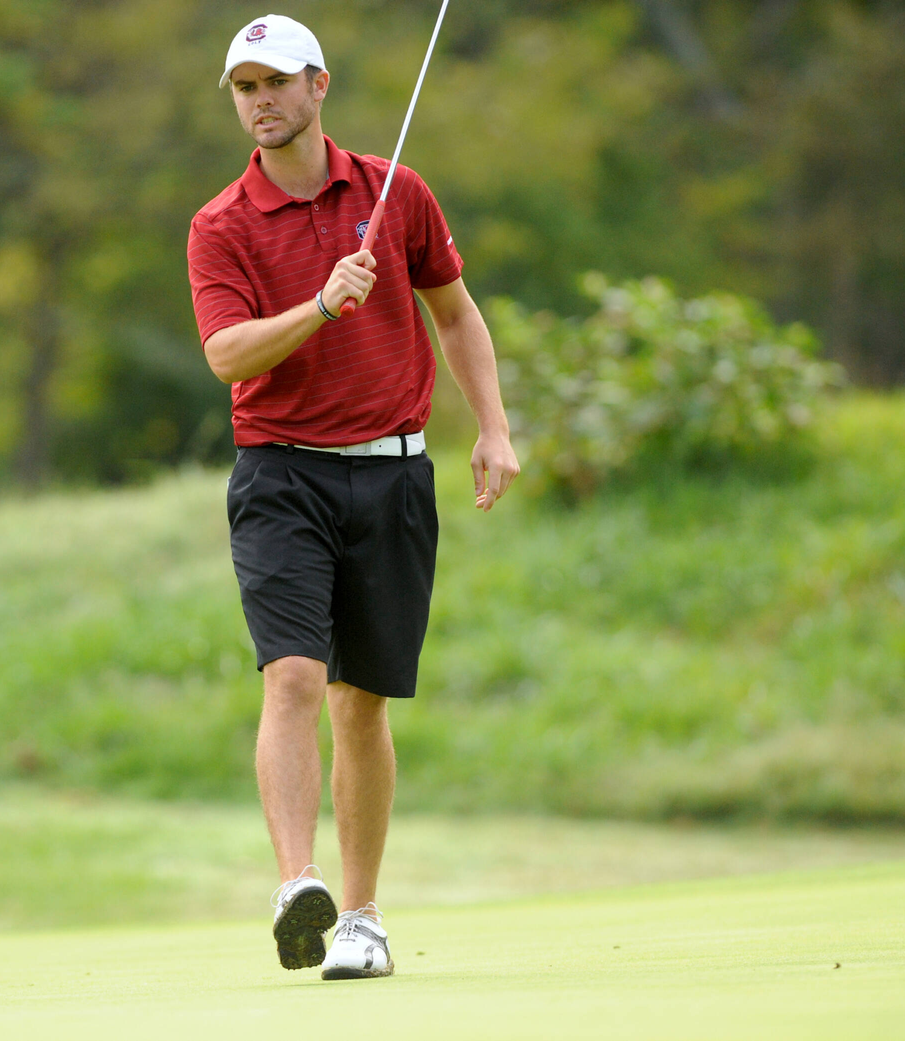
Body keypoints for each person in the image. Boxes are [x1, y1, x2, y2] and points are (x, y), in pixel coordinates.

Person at [187, 14, 520, 981]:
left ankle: (363, 919)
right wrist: (323, 303)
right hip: (282, 474)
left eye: (276, 83)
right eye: (245, 87)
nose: (261, 102)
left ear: (318, 85)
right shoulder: (222, 225)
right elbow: (227, 355)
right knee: (292, 677)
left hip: (393, 472)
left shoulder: (394, 191)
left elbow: (455, 313)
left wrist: (493, 427)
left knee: (362, 701)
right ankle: (299, 884)